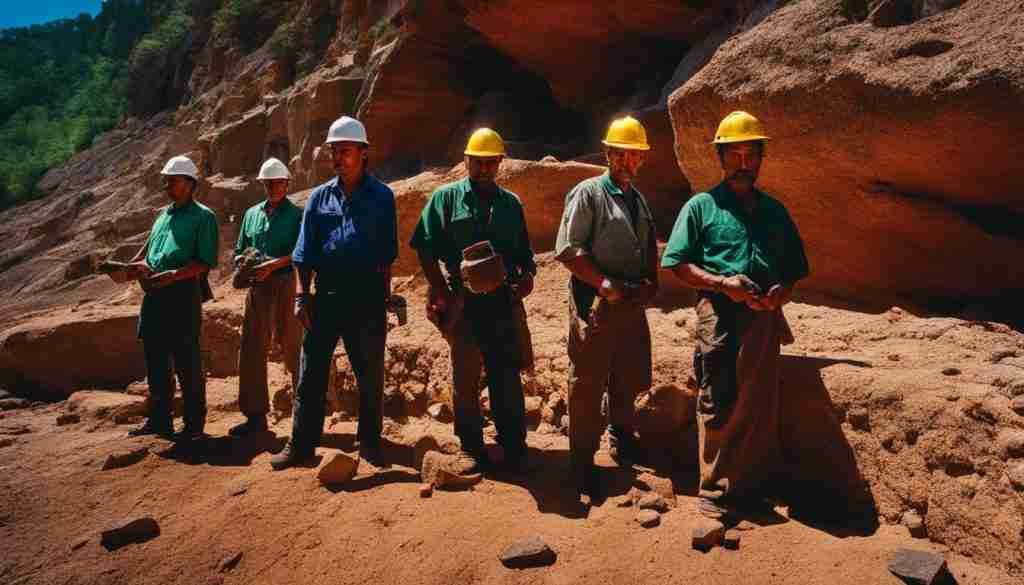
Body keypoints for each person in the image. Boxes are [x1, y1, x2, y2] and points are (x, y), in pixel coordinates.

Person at [661, 111, 809, 519]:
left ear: (761, 158)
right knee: (717, 396)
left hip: (763, 316)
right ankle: (714, 490)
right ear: (721, 157)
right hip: (718, 312)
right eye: (735, 154)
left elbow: (794, 268)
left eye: (751, 155)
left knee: (759, 398)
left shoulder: (775, 211)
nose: (743, 163)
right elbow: (677, 263)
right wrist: (722, 284)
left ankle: (750, 488)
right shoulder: (701, 207)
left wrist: (782, 292)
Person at [271, 116, 397, 470]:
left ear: (363, 153)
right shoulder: (318, 198)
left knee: (369, 373)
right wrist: (300, 295)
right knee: (310, 373)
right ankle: (300, 445)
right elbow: (303, 253)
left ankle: (370, 444)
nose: (337, 157)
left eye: (344, 151)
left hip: (367, 297)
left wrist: (384, 299)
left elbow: (387, 255)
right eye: (334, 151)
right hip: (324, 297)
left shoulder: (383, 197)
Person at [410, 128, 536, 472]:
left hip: (502, 302)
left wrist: (525, 280)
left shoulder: (510, 204)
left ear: (500, 163)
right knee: (465, 376)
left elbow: (526, 256)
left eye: (490, 163)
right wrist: (440, 289)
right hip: (462, 303)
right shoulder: (445, 198)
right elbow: (424, 244)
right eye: (477, 162)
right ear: (466, 161)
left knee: (506, 373)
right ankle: (470, 447)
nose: (483, 169)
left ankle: (513, 445)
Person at [554, 116, 659, 496]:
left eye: (637, 154)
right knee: (587, 381)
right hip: (596, 301)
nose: (632, 160)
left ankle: (622, 441)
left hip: (629, 302)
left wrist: (650, 282)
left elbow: (646, 248)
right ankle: (581, 462)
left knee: (626, 375)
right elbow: (568, 249)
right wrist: (603, 284)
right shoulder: (589, 192)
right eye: (625, 153)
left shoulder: (637, 198)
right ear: (610, 154)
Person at [129, 155, 219, 441]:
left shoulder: (204, 217)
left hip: (182, 292)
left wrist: (174, 275)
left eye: (173, 180)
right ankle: (160, 421)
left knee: (187, 362)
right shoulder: (162, 215)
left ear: (190, 183)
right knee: (155, 361)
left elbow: (205, 262)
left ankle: (194, 427)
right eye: (166, 180)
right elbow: (147, 250)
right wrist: (132, 267)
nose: (167, 185)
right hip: (154, 293)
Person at [229, 158, 303, 436]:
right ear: (262, 184)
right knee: (251, 348)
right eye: (268, 183)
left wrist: (271, 265)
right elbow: (240, 249)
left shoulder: (297, 215)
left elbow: (300, 252)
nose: (273, 187)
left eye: (278, 183)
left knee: (294, 346)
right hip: (257, 288)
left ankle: (304, 414)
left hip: (285, 282)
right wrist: (244, 263)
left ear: (287, 184)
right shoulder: (251, 214)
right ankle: (255, 416)